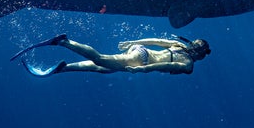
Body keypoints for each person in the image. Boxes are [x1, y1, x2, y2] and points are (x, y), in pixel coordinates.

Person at [11, 34, 211, 77]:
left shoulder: (177, 44)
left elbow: (157, 41)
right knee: (101, 59)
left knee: (103, 69)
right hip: (141, 60)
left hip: (140, 52)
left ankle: (64, 68)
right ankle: (64, 42)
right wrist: (142, 68)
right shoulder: (187, 64)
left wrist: (135, 42)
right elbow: (164, 67)